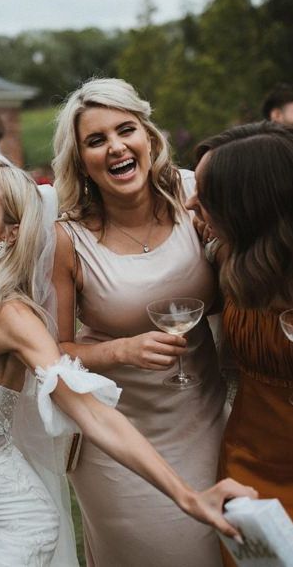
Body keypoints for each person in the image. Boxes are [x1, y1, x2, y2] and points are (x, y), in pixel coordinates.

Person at [0, 153, 254, 566]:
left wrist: (187, 495)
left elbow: (93, 414)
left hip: (8, 529)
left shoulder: (10, 317)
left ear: (8, 234)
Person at [51, 78, 228, 566]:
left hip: (207, 419)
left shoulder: (194, 195)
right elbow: (52, 351)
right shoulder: (68, 239)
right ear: (81, 160)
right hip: (117, 439)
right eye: (96, 140)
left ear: (148, 137)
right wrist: (119, 351)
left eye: (124, 130)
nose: (115, 147)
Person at [187, 121, 293, 566]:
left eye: (207, 195)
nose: (191, 202)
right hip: (246, 469)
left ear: (247, 207)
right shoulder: (230, 258)